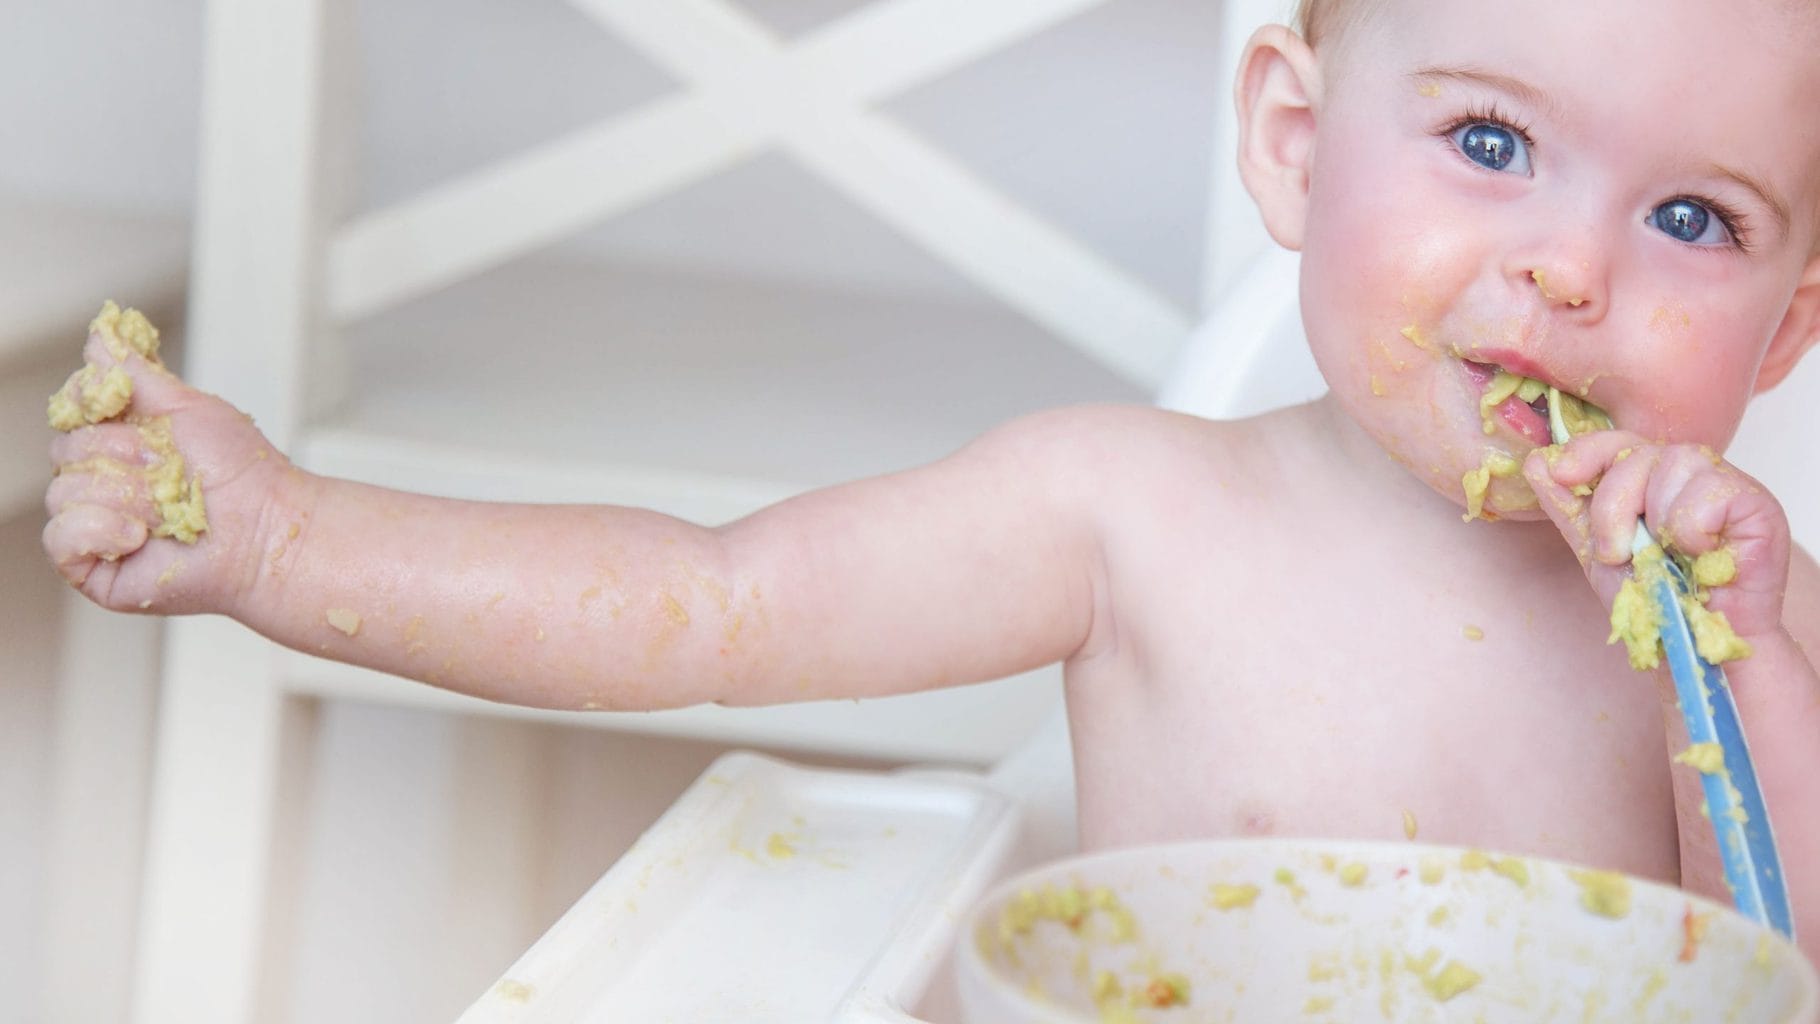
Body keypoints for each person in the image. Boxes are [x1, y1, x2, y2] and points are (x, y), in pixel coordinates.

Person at [42, 0, 1820, 959]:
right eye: (1490, 142)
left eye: (1693, 218)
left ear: (1787, 326)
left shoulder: (1735, 631)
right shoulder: (1123, 518)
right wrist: (283, 537)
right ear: (1295, 144)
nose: (1578, 272)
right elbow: (705, 607)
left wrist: (1748, 671)